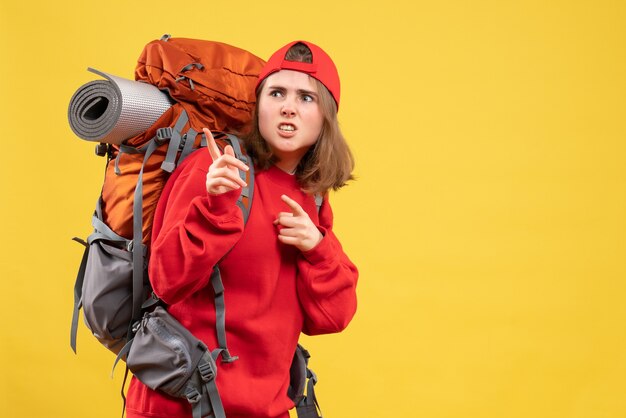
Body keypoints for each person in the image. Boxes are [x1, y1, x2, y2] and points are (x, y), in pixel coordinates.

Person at [125, 40, 358, 418]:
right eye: (277, 92)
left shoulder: (312, 196)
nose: (288, 107)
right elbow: (167, 282)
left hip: (266, 408)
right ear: (259, 106)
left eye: (306, 98)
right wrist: (217, 209)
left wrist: (317, 248)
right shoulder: (216, 166)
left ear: (326, 116)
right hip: (180, 407)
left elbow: (332, 317)